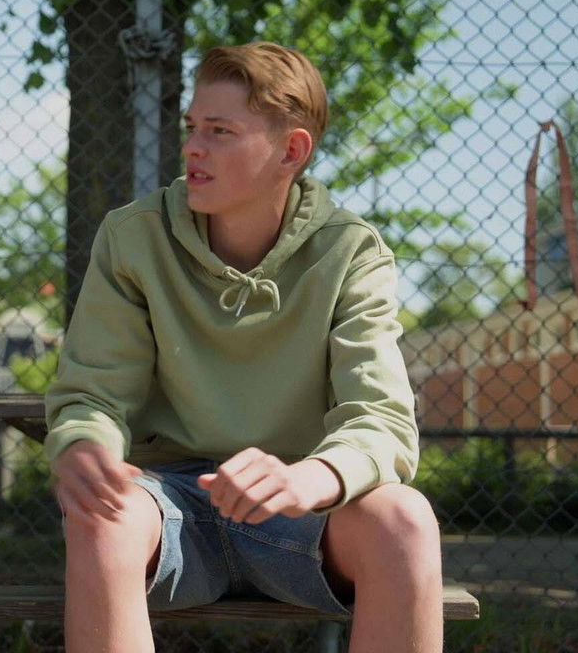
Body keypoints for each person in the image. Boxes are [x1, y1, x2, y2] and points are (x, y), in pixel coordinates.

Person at [45, 42, 442, 652]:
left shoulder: (351, 252)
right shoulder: (134, 237)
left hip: (299, 504)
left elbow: (382, 419)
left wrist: (313, 477)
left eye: (221, 131)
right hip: (170, 500)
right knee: (103, 516)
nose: (193, 147)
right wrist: (84, 446)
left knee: (405, 520)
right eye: (192, 128)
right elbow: (93, 392)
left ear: (292, 151)